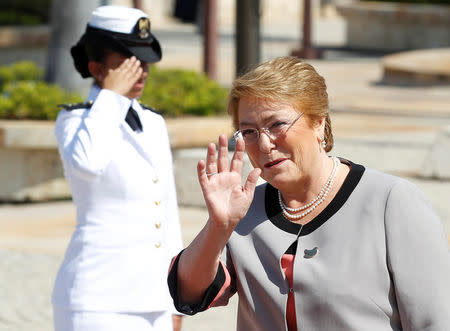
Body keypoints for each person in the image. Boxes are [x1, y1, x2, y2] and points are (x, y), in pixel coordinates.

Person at [167, 56, 450, 330]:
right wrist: (219, 225)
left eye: (277, 124)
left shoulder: (391, 202)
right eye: (249, 131)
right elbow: (190, 294)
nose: (264, 144)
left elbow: (434, 321)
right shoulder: (244, 210)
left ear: (319, 123)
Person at [52, 6, 183, 331]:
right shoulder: (76, 120)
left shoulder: (153, 123)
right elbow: (87, 163)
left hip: (154, 299)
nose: (141, 71)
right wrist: (110, 95)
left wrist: (176, 301)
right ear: (97, 67)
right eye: (127, 62)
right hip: (97, 298)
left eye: (144, 61)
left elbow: (167, 212)